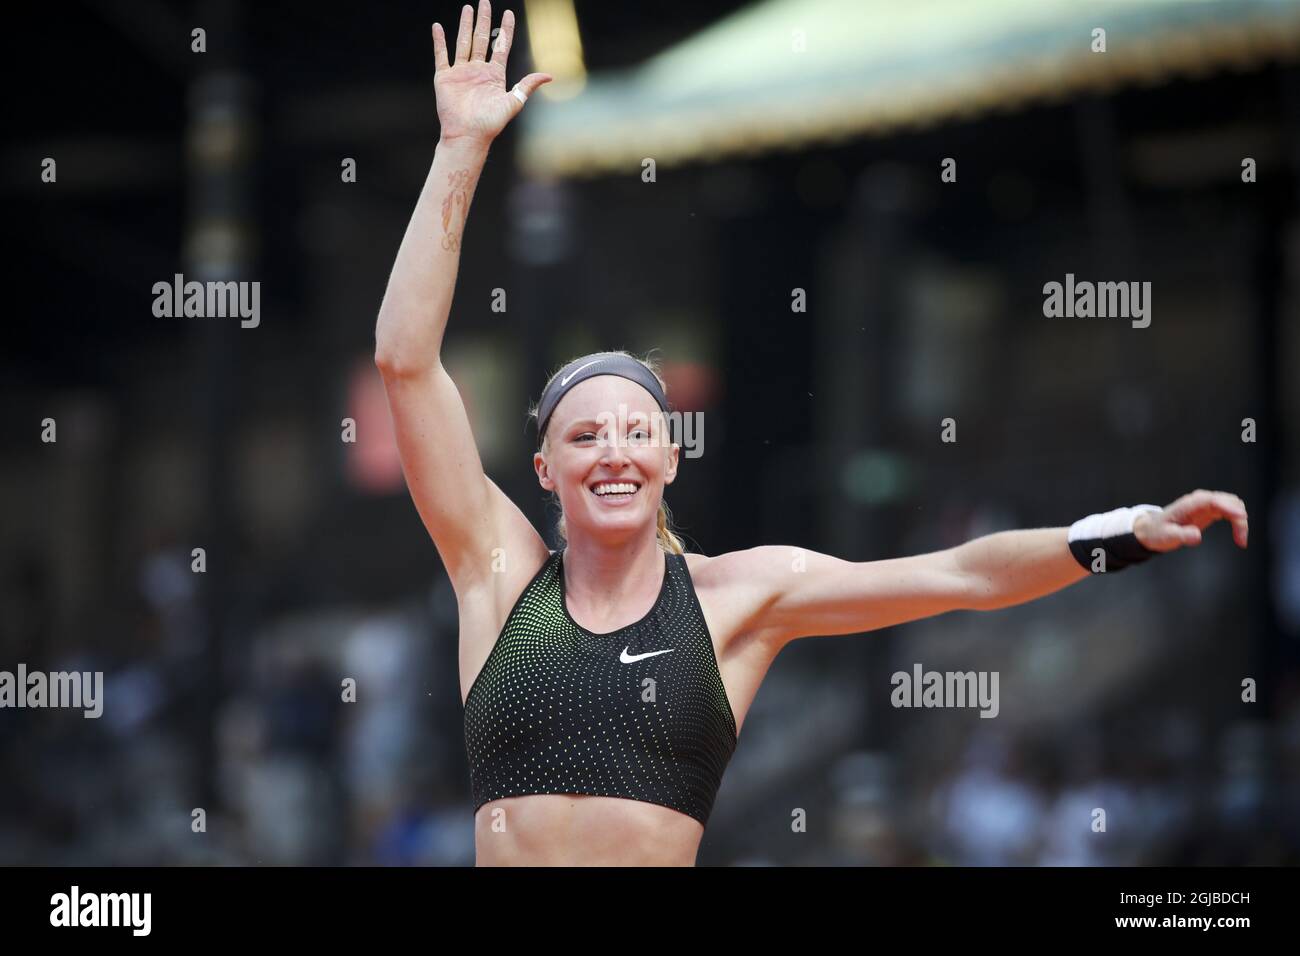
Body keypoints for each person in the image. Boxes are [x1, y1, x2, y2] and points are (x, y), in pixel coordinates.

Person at [373, 1, 1251, 866]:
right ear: (544, 468)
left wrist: (1114, 536)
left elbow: (961, 574)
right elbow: (406, 362)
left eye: (637, 431)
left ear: (671, 457)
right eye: (585, 437)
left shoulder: (736, 601)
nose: (613, 452)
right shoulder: (496, 576)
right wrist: (461, 150)